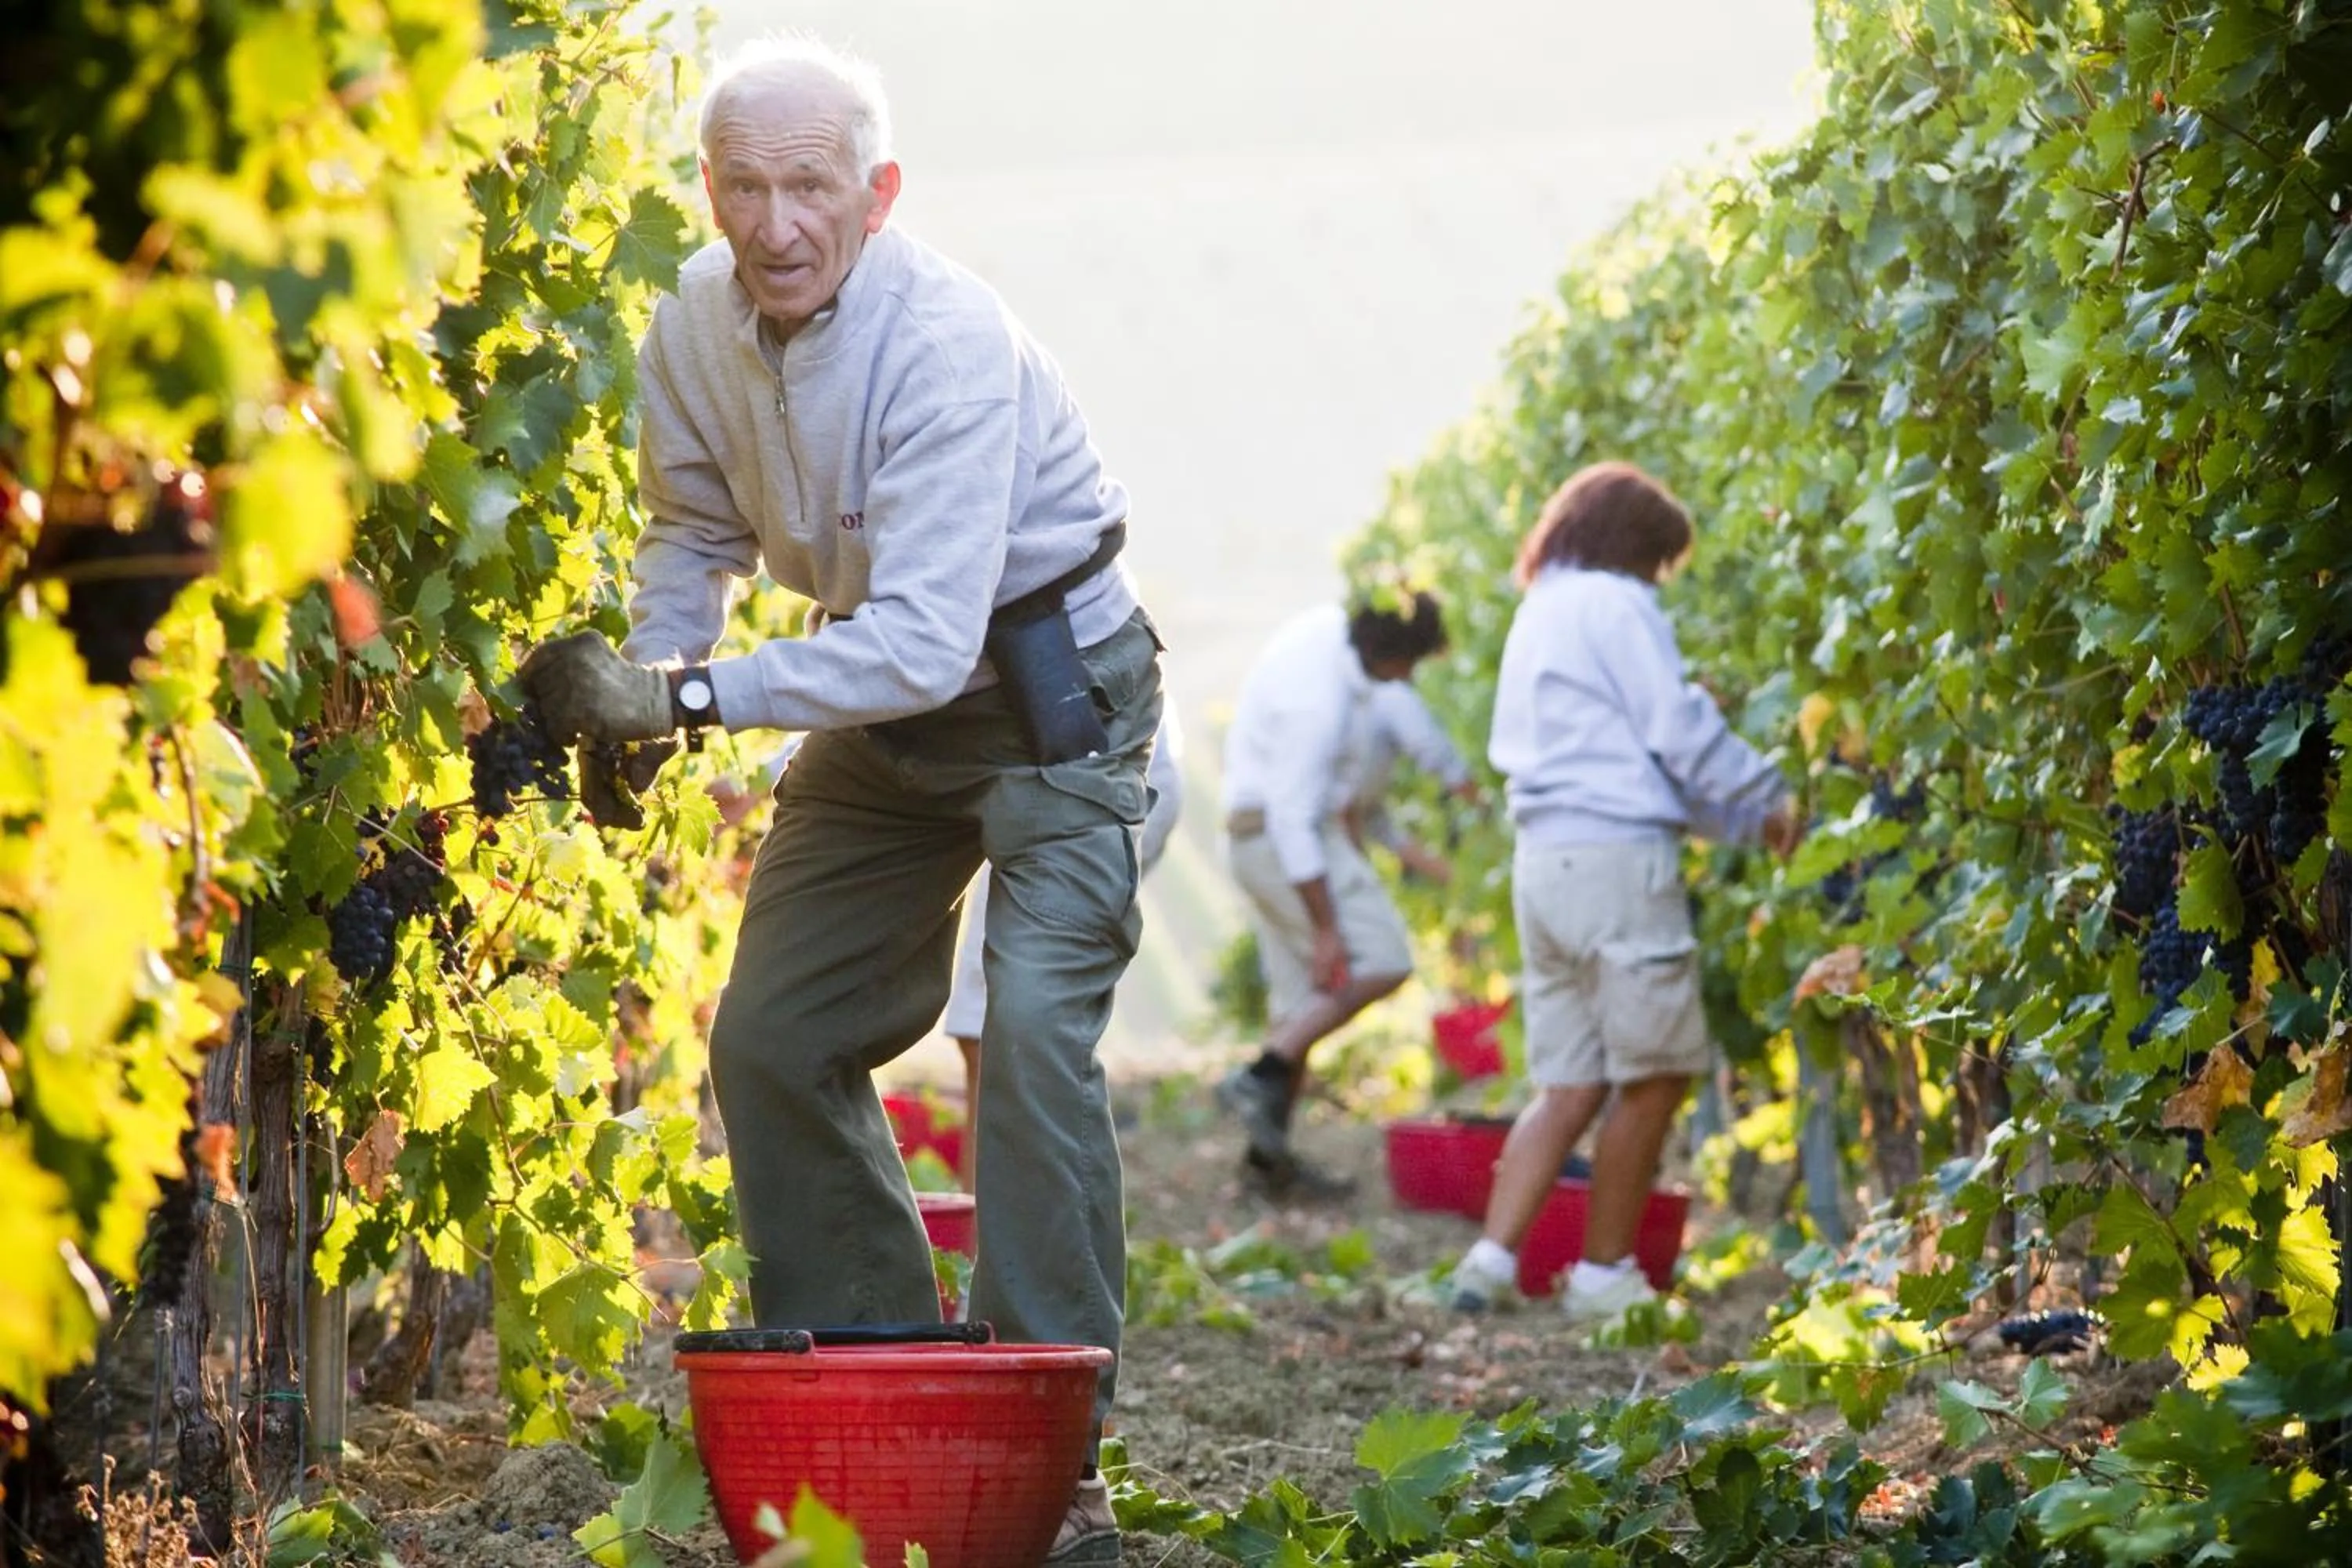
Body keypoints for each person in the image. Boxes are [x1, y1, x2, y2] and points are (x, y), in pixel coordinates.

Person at [517, 37, 1152, 1561]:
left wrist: (684, 698)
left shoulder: (944, 342)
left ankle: (1050, 1455)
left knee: (1038, 1048)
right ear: (713, 192)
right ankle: (877, 1372)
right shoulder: (695, 326)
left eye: (812, 186)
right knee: (773, 1035)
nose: (779, 220)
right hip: (887, 718)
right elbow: (691, 530)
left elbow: (930, 637)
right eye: (748, 185)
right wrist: (662, 669)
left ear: (877, 195)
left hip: (1053, 701)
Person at [1443, 461, 1800, 1326]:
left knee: (1569, 1081)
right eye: (1657, 564)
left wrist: (1748, 825)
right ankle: (1605, 1275)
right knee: (1659, 1070)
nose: (1655, 581)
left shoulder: (1544, 608)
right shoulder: (1615, 601)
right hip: (1614, 866)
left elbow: (1621, 756)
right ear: (1635, 549)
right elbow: (1674, 731)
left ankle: (1486, 1266)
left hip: (1546, 864)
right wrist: (1771, 794)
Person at [1214, 593, 1466, 1196]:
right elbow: (1294, 818)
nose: (1411, 678)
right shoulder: (1318, 704)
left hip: (1255, 838)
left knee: (1300, 1001)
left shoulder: (1331, 635)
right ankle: (1261, 1073)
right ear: (1386, 652)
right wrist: (1326, 927)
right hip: (1282, 840)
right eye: (1411, 664)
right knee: (1381, 959)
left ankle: (1267, 1165)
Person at [942, 708, 1187, 1190]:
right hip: (1086, 778)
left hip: (1080, 792)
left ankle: (1001, 1236)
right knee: (1007, 1027)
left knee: (999, 1026)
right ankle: (1009, 1229)